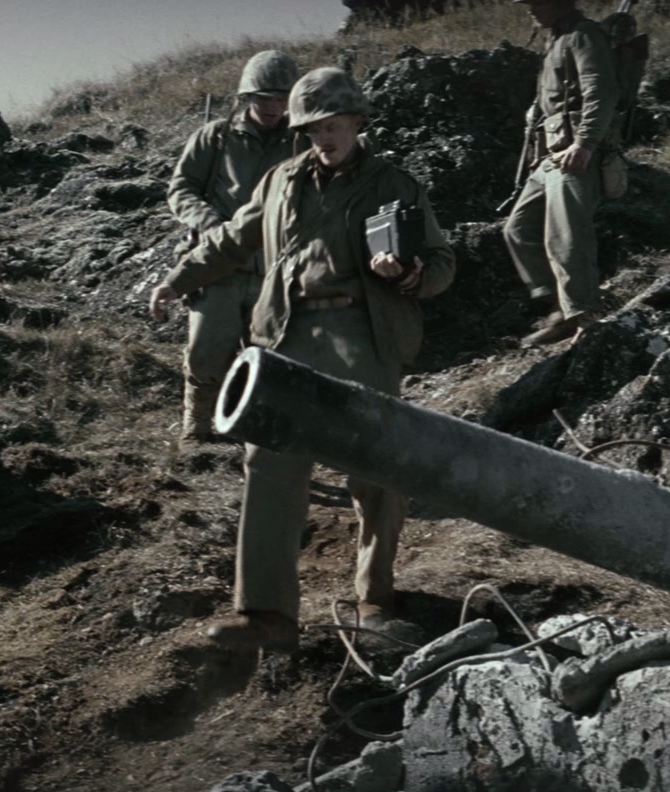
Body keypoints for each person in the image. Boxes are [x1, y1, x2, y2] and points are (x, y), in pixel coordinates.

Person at [148, 67, 457, 650]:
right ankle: (267, 614)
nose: (323, 137)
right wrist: (177, 279)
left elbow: (442, 264)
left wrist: (410, 274)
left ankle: (375, 599)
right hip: (286, 335)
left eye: (333, 125)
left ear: (358, 122)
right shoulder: (280, 180)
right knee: (269, 464)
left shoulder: (395, 184)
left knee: (377, 470)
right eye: (312, 129)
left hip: (361, 336)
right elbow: (231, 240)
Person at [167, 49, 303, 442]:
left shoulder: (301, 141)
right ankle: (197, 430)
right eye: (264, 98)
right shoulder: (215, 137)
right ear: (247, 97)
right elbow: (181, 189)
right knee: (206, 353)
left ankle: (252, 431)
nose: (273, 107)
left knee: (270, 356)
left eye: (281, 98)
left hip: (275, 268)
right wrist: (209, 222)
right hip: (219, 265)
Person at [504, 0, 619, 348]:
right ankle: (561, 308)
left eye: (536, 2)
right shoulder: (556, 39)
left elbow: (601, 90)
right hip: (550, 155)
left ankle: (585, 316)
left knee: (567, 237)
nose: (531, 9)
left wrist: (585, 143)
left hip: (574, 154)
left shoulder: (583, 36)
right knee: (518, 229)